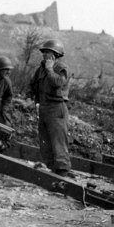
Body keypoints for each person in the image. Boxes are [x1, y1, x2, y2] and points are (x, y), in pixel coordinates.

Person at [28, 39, 71, 175]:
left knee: (58, 141)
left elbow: (58, 83)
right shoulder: (40, 69)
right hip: (44, 108)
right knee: (45, 142)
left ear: (55, 55)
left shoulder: (60, 68)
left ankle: (62, 170)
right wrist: (30, 97)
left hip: (56, 108)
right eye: (44, 52)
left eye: (47, 52)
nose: (44, 55)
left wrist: (49, 69)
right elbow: (32, 85)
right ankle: (53, 170)